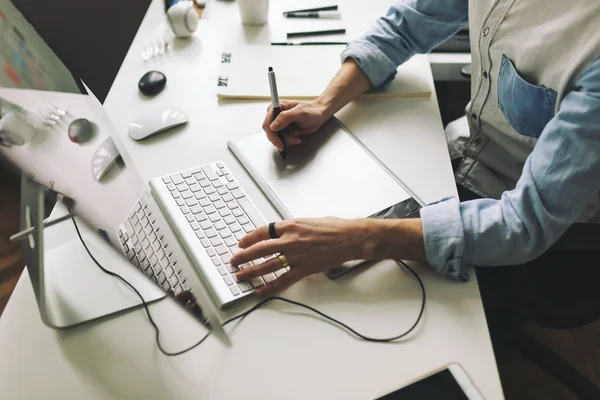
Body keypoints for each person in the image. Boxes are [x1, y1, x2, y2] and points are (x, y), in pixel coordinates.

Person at [231, 0, 600, 303]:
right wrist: (323, 105)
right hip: (457, 158)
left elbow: (525, 223)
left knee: (337, 303)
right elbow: (406, 25)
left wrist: (357, 239)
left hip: (528, 230)